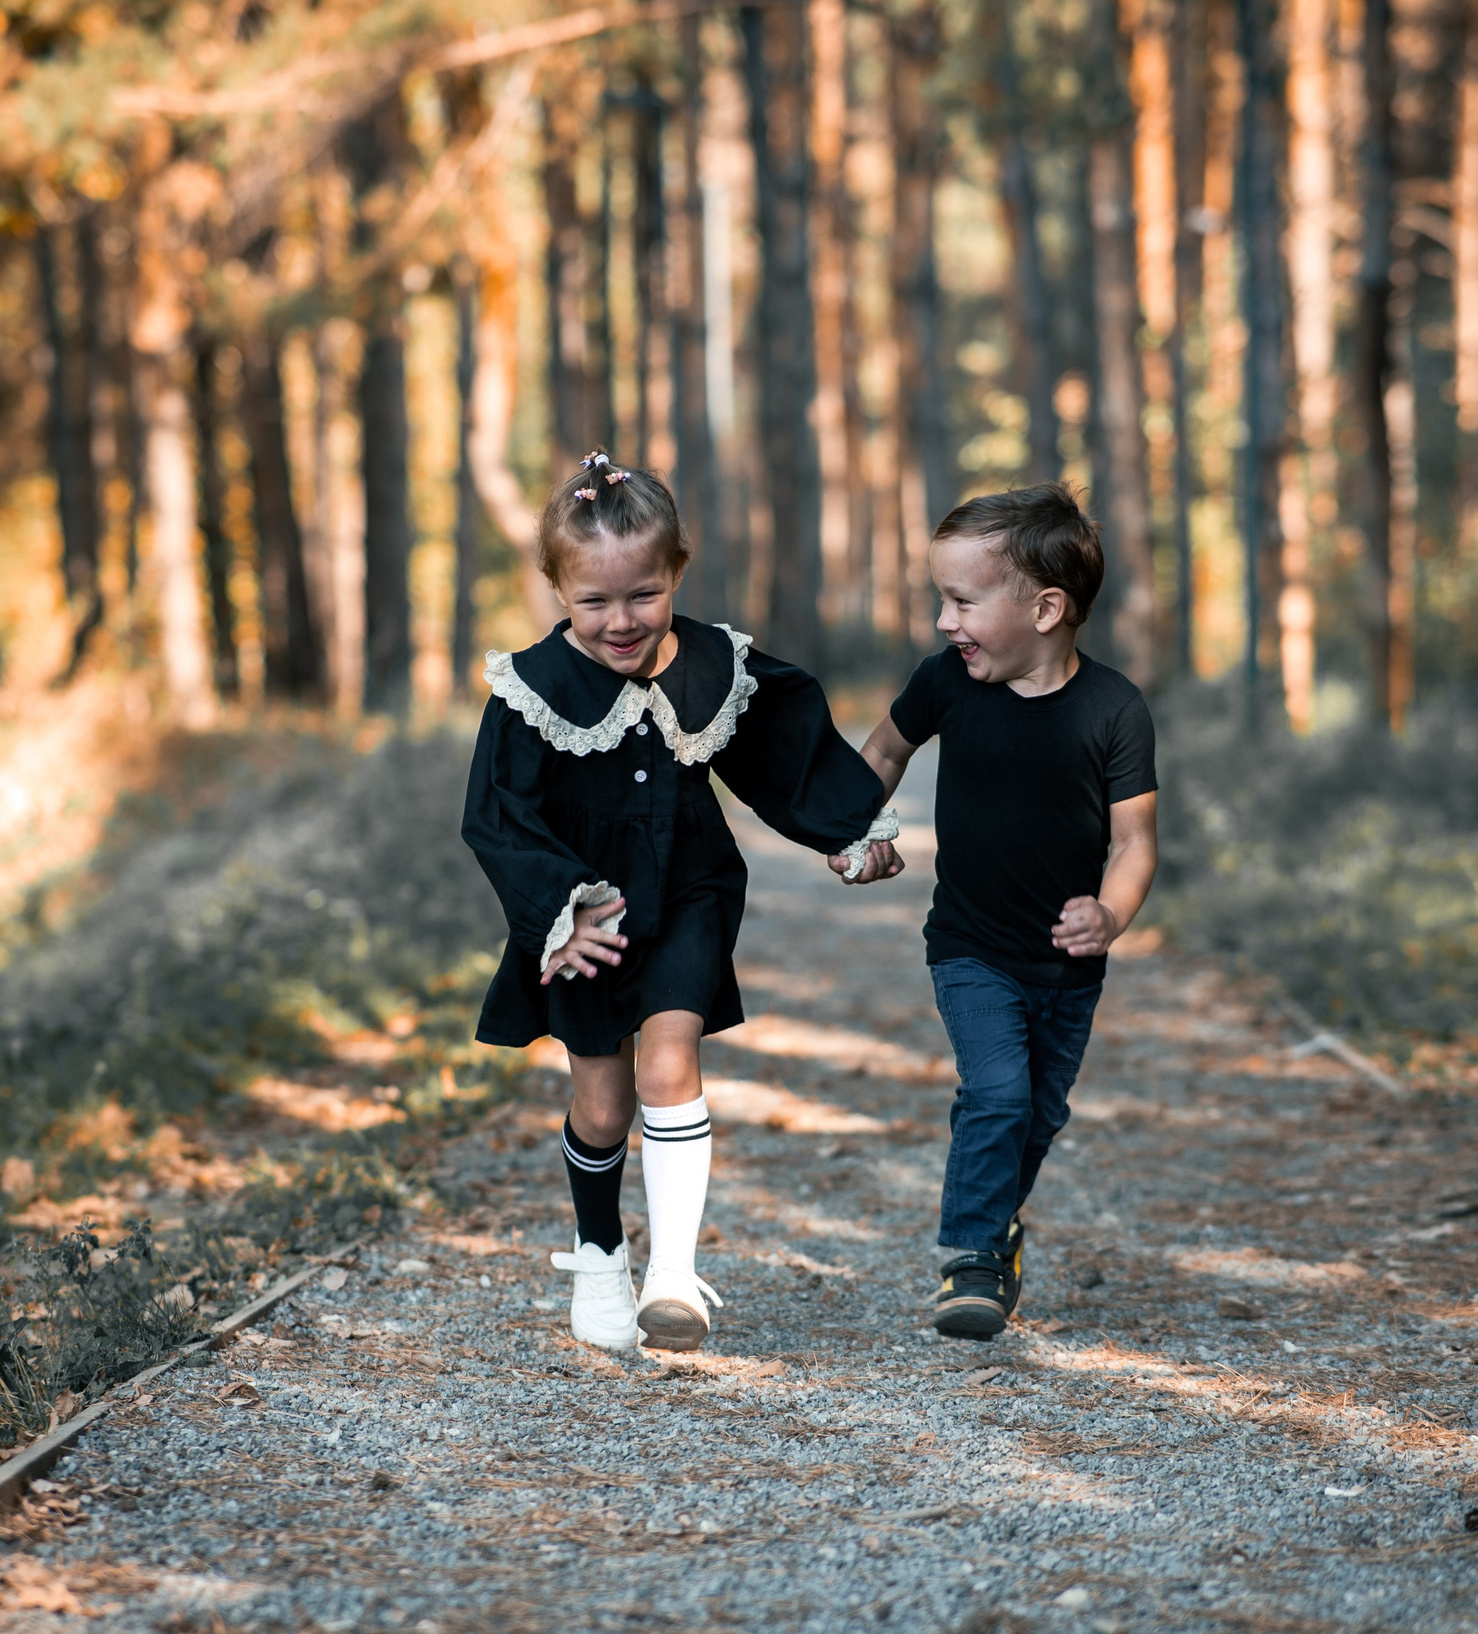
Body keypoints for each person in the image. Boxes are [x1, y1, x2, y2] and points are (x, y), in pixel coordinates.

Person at [462, 452, 900, 1353]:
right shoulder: (531, 691)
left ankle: (672, 1273)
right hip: (588, 918)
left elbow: (784, 742)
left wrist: (851, 829)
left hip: (692, 885)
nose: (621, 621)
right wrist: (559, 908)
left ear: (676, 574)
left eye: (643, 595)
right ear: (557, 588)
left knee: (669, 1062)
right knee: (604, 1105)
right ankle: (599, 1250)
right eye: (595, 602)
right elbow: (496, 817)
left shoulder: (711, 662)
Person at [848, 485, 1159, 1339]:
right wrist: (855, 827)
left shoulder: (1115, 711)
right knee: (995, 1092)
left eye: (962, 601)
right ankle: (972, 1258)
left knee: (1038, 1111)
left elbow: (1135, 843)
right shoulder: (948, 682)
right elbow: (883, 748)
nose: (946, 622)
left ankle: (998, 1224)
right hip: (971, 946)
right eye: (941, 599)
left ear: (1047, 607)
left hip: (1067, 966)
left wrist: (1112, 913)